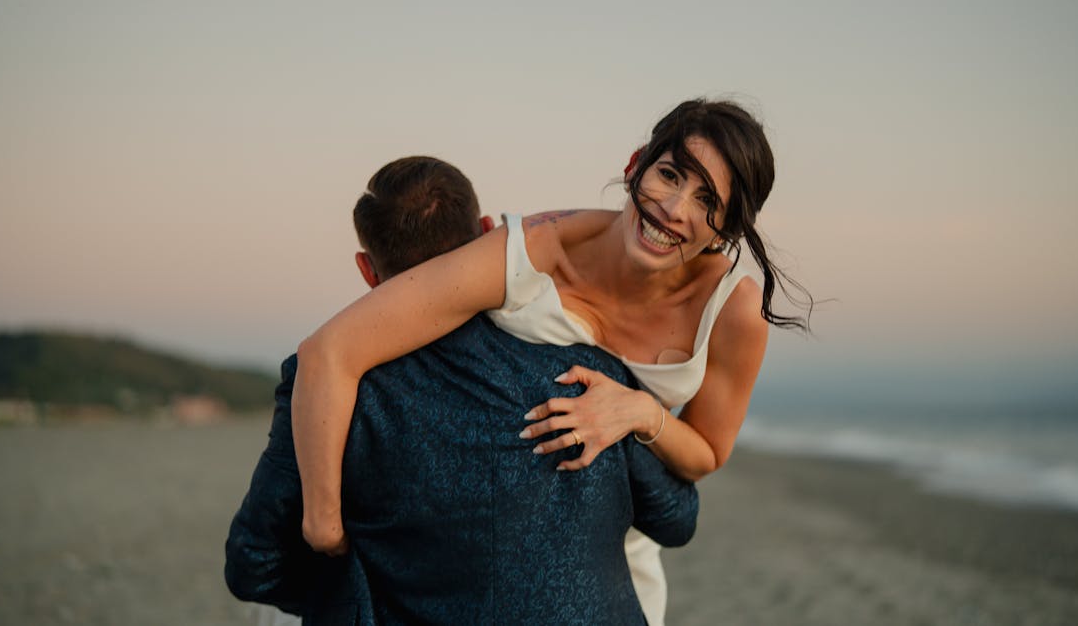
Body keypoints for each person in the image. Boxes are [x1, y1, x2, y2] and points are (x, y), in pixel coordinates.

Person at [292, 99, 811, 625]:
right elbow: (329, 352)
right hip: (481, 545)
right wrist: (322, 523)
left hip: (616, 562)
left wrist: (639, 412)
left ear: (728, 228)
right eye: (670, 174)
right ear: (636, 164)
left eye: (708, 201)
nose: (674, 209)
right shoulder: (530, 251)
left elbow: (705, 453)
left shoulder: (733, 311)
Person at [225, 156, 700, 624]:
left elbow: (253, 565)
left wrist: (365, 584)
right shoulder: (586, 374)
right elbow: (675, 519)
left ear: (368, 271)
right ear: (488, 231)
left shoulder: (323, 390)